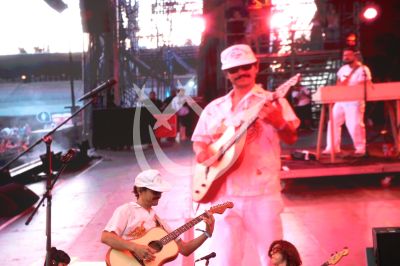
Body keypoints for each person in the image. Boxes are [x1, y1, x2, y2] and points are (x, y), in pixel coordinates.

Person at [191, 44, 299, 266]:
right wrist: (204, 156)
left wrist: (278, 122)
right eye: (235, 69)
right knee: (223, 260)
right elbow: (199, 141)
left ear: (256, 66)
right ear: (227, 73)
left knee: (274, 259)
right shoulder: (215, 108)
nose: (241, 72)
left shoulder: (274, 100)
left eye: (246, 66)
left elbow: (291, 137)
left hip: (262, 194)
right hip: (221, 194)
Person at [101, 169, 215, 264]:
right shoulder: (127, 210)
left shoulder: (159, 222)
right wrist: (135, 248)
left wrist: (207, 233)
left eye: (160, 192)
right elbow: (106, 237)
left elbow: (185, 249)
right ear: (140, 190)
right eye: (155, 192)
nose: (159, 195)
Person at [323, 48, 372, 156]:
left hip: (355, 100)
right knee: (333, 122)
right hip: (341, 99)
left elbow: (365, 84)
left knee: (354, 124)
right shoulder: (342, 69)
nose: (346, 57)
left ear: (355, 55)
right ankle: (332, 148)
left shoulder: (363, 69)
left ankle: (360, 148)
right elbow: (338, 83)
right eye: (344, 55)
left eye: (348, 55)